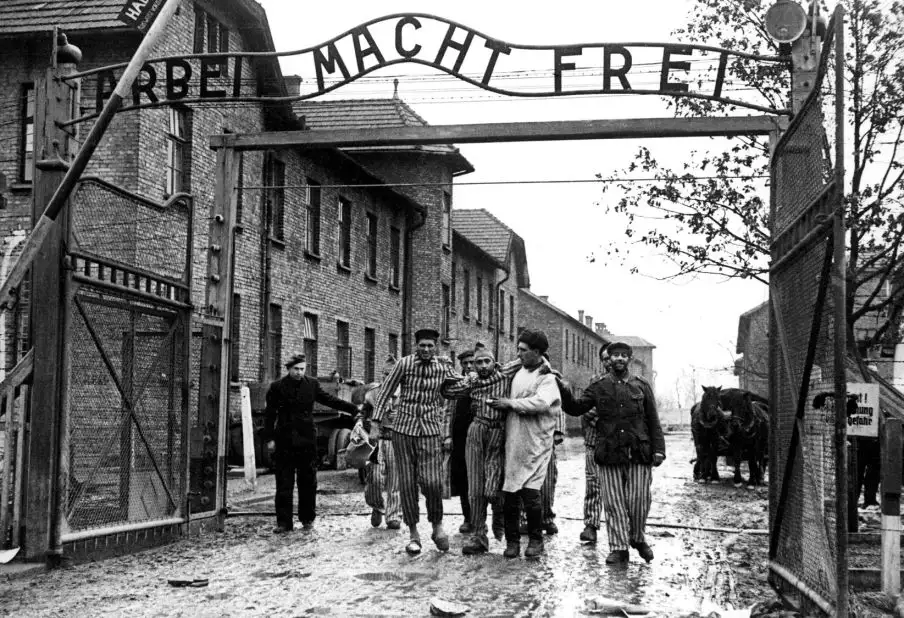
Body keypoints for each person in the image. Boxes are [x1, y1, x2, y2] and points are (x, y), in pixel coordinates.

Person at [561, 340, 665, 565]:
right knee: (614, 502)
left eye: (623, 355)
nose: (619, 358)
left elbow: (653, 419)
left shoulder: (641, 385)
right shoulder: (599, 386)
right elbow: (576, 407)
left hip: (639, 451)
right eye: (614, 355)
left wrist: (659, 450)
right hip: (609, 452)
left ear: (629, 359)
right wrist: (564, 390)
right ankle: (619, 548)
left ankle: (637, 538)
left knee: (639, 499)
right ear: (609, 359)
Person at [369, 328, 455, 555]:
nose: (426, 349)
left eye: (430, 346)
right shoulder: (404, 364)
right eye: (422, 345)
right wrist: (375, 423)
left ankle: (437, 527)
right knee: (406, 484)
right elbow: (385, 391)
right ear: (416, 346)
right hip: (403, 431)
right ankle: (414, 534)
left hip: (429, 430)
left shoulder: (443, 366)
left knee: (432, 483)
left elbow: (456, 389)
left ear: (436, 346)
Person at [263, 353, 360, 533]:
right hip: (284, 440)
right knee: (284, 483)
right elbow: (269, 415)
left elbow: (330, 400)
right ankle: (283, 523)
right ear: (288, 369)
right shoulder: (277, 388)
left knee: (308, 482)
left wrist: (353, 408)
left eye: (302, 369)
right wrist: (269, 439)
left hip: (307, 440)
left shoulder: (312, 385)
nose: (299, 372)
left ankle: (307, 519)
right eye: (296, 369)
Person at [489, 329, 560, 559]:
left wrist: (509, 403)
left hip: (536, 443)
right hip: (514, 440)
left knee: (531, 494)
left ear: (537, 352)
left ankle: (536, 541)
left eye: (523, 350)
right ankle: (512, 542)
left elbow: (540, 403)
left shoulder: (547, 377)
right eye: (518, 349)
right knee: (510, 493)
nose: (518, 354)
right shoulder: (518, 372)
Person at [442, 347, 510, 554]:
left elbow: (530, 364)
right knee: (475, 486)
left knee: (493, 485)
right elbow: (447, 392)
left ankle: (499, 514)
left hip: (498, 432)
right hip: (476, 431)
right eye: (478, 362)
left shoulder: (505, 378)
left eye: (485, 361)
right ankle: (478, 535)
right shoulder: (471, 382)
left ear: (494, 362)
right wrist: (445, 371)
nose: (481, 366)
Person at [359, 356, 402, 530]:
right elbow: (362, 413)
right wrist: (361, 423)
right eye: (385, 374)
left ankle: (393, 516)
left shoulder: (406, 393)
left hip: (396, 440)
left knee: (395, 480)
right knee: (375, 479)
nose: (387, 377)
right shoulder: (373, 393)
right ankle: (377, 506)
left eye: (392, 374)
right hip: (376, 441)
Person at [579, 348, 610, 544]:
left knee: (618, 488)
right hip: (594, 440)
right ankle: (590, 525)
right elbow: (586, 408)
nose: (609, 362)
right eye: (605, 359)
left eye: (612, 357)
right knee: (593, 483)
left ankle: (619, 530)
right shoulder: (595, 382)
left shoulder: (630, 384)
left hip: (618, 444)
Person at [450, 350, 476, 534]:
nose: (468, 367)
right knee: (463, 479)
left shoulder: (485, 383)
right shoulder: (456, 385)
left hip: (480, 437)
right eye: (464, 363)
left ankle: (481, 518)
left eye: (471, 363)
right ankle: (468, 518)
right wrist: (446, 436)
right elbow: (446, 410)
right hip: (459, 437)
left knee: (480, 479)